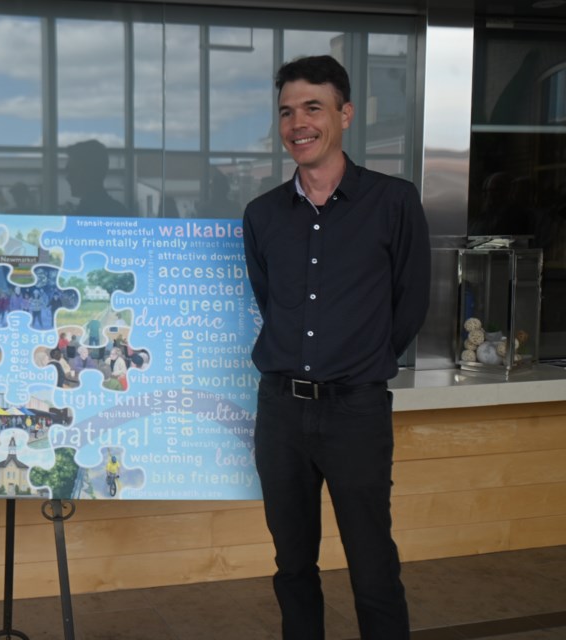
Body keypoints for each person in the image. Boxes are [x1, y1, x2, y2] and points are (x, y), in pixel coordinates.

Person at [242, 55, 430, 640]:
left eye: (313, 107)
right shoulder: (263, 214)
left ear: (345, 114)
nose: (298, 122)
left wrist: (359, 361)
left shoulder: (393, 202)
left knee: (373, 564)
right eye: (286, 111)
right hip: (280, 411)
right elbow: (270, 299)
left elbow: (411, 303)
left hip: (356, 410)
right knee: (292, 564)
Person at [65, 139, 130, 217]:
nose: (68, 177)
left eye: (73, 171)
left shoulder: (84, 214)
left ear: (89, 172)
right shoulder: (120, 212)